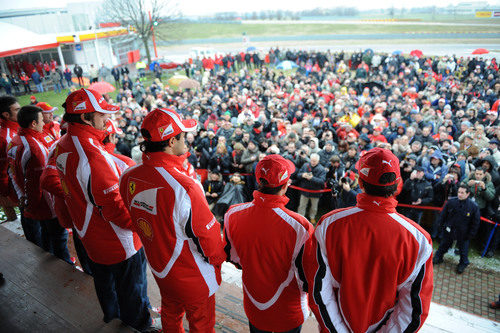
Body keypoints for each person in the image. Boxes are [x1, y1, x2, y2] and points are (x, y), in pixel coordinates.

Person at [53, 88, 158, 332]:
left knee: (105, 284)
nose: (107, 120)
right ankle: (140, 326)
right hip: (118, 242)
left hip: (89, 235)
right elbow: (117, 210)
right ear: (85, 117)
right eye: (101, 115)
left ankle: (112, 320)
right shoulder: (93, 156)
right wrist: (142, 230)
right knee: (133, 290)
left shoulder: (62, 144)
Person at [119, 107, 225, 332]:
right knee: (202, 325)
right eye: (183, 136)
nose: (187, 139)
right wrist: (218, 260)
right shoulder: (184, 186)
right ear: (171, 141)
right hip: (193, 273)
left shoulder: (128, 176)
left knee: (171, 315)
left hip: (160, 267)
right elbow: (207, 236)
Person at [307, 147, 433, 332]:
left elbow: (318, 289)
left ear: (360, 182)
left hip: (332, 325)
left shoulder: (329, 223)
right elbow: (414, 310)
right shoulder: (419, 239)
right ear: (398, 184)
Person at [223, 154, 314, 333]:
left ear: (258, 180)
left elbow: (232, 257)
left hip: (254, 304)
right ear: (287, 184)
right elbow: (308, 278)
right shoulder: (300, 226)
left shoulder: (232, 214)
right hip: (289, 311)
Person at [8, 105, 71, 264]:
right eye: (41, 120)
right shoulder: (34, 147)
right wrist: (31, 205)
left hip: (32, 201)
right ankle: (64, 265)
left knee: (46, 234)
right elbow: (39, 181)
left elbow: (13, 172)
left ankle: (50, 259)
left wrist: (23, 198)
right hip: (44, 204)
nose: (44, 123)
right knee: (58, 237)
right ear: (33, 124)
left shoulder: (15, 140)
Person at [433, 184, 480, 274]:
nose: (459, 194)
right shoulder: (451, 202)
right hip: (449, 230)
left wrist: (471, 234)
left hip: (463, 233)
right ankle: (438, 257)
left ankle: (463, 264)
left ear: (468, 194)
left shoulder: (473, 206)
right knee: (443, 245)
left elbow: (475, 222)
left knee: (463, 251)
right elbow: (443, 215)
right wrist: (441, 226)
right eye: (459, 192)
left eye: (462, 193)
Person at [0, 96, 20, 222]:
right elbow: (3, 168)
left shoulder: (19, 128)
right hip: (16, 187)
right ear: (6, 114)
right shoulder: (5, 137)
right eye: (17, 110)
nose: (21, 112)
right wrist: (5, 192)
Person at [297, 153, 326, 223]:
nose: (312, 162)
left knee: (314, 207)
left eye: (314, 161)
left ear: (318, 161)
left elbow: (322, 181)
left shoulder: (321, 169)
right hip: (304, 190)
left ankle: (312, 217)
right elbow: (298, 175)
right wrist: (302, 175)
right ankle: (300, 218)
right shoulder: (305, 165)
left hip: (315, 192)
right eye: (312, 160)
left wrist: (312, 178)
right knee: (302, 205)